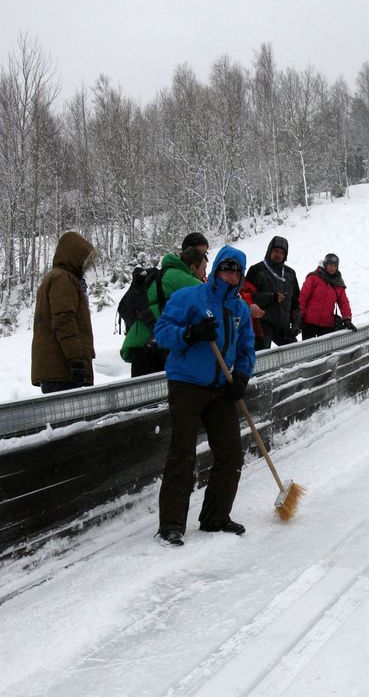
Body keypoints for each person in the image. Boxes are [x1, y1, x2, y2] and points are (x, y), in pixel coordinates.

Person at [152, 245, 256, 547]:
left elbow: (247, 349)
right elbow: (162, 332)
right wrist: (190, 334)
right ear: (215, 269)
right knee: (183, 453)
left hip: (221, 386)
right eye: (227, 268)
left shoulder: (240, 310)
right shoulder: (190, 297)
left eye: (237, 271)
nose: (231, 275)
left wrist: (241, 376)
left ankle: (215, 517)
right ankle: (171, 524)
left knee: (231, 453)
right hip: (186, 384)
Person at [120, 234, 209, 377]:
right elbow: (212, 298)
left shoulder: (170, 272)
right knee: (151, 396)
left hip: (148, 344)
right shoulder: (179, 277)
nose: (205, 273)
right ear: (193, 267)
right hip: (149, 347)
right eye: (204, 268)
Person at [31, 231, 97, 394]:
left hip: (58, 369)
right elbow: (64, 320)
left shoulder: (57, 277)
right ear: (74, 256)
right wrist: (76, 360)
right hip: (63, 370)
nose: (87, 266)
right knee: (73, 419)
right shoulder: (63, 279)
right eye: (85, 260)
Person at [245, 236, 301, 350]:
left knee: (296, 353)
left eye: (282, 252)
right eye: (276, 251)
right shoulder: (256, 270)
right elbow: (248, 297)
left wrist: (296, 323)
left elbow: (295, 301)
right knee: (261, 360)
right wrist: (272, 297)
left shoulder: (290, 273)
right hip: (261, 324)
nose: (278, 255)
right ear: (269, 250)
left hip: (282, 324)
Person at [299, 253, 356, 339]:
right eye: (330, 265)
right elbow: (303, 297)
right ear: (325, 264)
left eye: (334, 265)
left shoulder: (338, 284)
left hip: (327, 325)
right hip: (309, 323)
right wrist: (299, 316)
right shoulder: (314, 277)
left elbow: (344, 303)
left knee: (326, 352)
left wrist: (347, 319)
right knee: (308, 351)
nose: (332, 268)